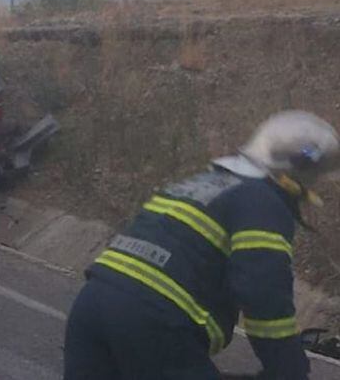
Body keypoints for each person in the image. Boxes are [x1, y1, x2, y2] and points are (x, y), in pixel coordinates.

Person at [63, 110, 338, 380]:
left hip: (91, 305)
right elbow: (262, 292)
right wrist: (288, 368)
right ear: (296, 177)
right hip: (155, 322)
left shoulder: (200, 183)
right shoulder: (263, 201)